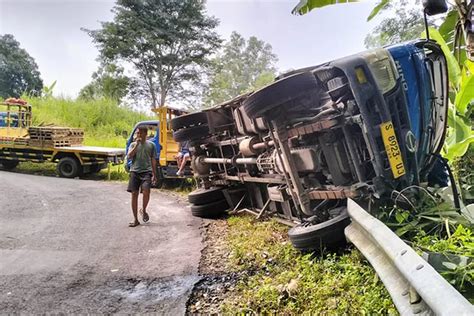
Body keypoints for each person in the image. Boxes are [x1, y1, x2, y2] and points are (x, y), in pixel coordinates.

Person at [126, 126, 157, 227]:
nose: (138, 135)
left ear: (145, 134)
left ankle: (143, 210)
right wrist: (136, 145)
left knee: (146, 192)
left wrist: (154, 174)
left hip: (146, 172)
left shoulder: (151, 145)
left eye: (140, 133)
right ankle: (135, 219)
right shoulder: (133, 144)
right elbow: (129, 156)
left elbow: (153, 159)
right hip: (134, 171)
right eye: (137, 133)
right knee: (134, 194)